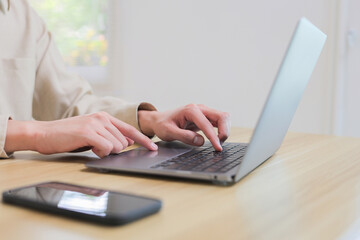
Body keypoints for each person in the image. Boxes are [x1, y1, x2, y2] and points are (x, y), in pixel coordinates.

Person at [0, 0, 230, 159]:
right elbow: (52, 129)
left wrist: (149, 120)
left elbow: (69, 106)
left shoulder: (21, 14)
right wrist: (36, 134)